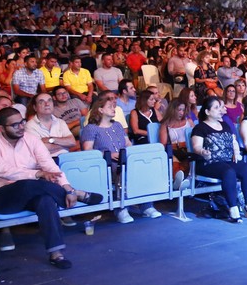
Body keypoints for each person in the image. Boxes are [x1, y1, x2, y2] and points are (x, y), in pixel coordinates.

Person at [0, 107, 103, 269]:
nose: (21, 127)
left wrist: (67, 187)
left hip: (30, 192)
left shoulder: (31, 139)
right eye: (15, 125)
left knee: (45, 200)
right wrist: (37, 174)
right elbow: (6, 171)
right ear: (1, 128)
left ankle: (56, 253)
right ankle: (80, 194)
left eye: (22, 122)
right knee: (29, 183)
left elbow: (49, 165)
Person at [80, 95, 161, 223]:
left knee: (141, 166)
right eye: (110, 107)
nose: (114, 109)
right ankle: (121, 209)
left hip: (124, 158)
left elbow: (128, 143)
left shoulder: (117, 125)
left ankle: (146, 205)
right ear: (100, 110)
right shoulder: (90, 128)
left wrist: (133, 154)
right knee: (121, 170)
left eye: (114, 106)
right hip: (105, 163)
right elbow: (87, 150)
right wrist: (108, 155)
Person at [191, 96, 247, 223]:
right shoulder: (200, 128)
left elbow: (233, 141)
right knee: (229, 172)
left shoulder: (225, 125)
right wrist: (203, 152)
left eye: (220, 107)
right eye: (216, 108)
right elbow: (196, 147)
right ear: (207, 112)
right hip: (209, 162)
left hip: (227, 160)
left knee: (246, 169)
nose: (220, 110)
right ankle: (233, 208)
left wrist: (236, 151)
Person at [25, 93, 78, 157]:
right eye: (41, 102)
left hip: (65, 159)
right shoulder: (29, 126)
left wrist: (50, 140)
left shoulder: (60, 122)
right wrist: (64, 144)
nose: (47, 104)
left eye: (49, 100)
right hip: (43, 162)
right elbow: (38, 148)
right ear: (35, 107)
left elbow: (72, 142)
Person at [158, 99, 193, 186]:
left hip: (187, 149)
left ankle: (179, 181)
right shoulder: (165, 125)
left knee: (188, 160)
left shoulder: (188, 122)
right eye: (179, 110)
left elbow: (196, 137)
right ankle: (179, 180)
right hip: (173, 150)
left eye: (183, 110)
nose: (181, 112)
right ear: (173, 110)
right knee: (173, 160)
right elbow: (163, 144)